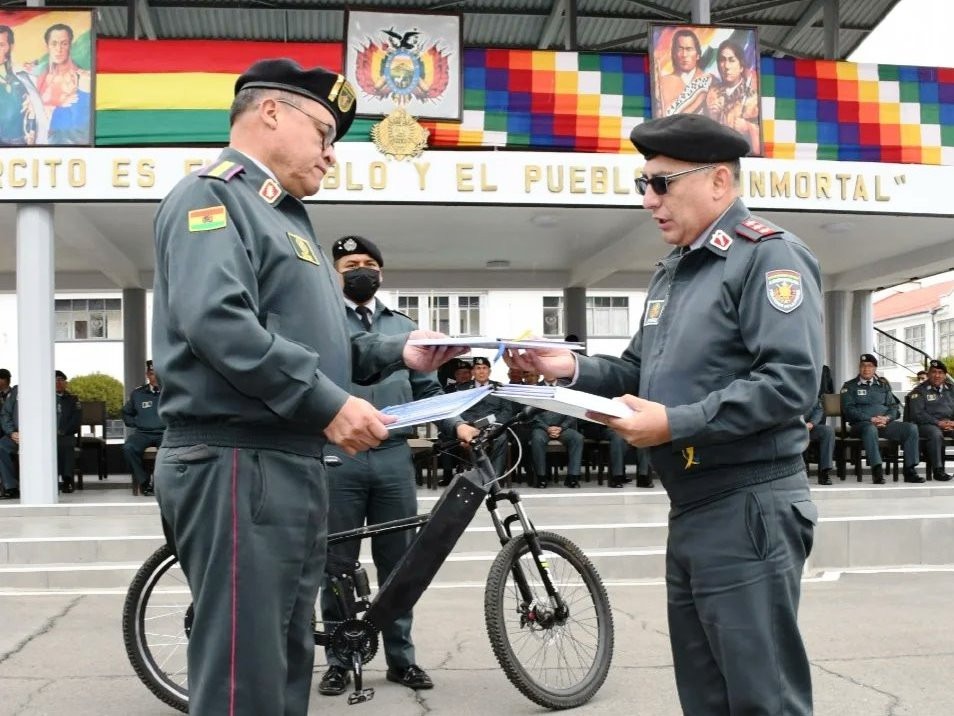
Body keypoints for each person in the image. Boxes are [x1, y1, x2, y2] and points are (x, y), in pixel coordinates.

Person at [150, 58, 461, 716]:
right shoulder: (213, 195)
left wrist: (401, 350)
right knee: (245, 672)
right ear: (269, 113)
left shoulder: (287, 222)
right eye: (324, 133)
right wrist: (327, 403)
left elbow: (327, 346)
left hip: (285, 463)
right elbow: (219, 323)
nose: (330, 154)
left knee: (286, 658)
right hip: (238, 461)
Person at [505, 113, 822, 715]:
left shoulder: (766, 257)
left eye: (661, 184)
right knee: (705, 695)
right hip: (694, 503)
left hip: (747, 501)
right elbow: (635, 373)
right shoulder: (675, 271)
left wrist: (674, 423)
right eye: (642, 184)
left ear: (719, 183)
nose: (649, 201)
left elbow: (790, 384)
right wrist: (565, 369)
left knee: (762, 696)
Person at [318, 235, 478, 696]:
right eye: (351, 263)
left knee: (400, 565)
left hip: (392, 460)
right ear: (336, 272)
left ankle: (401, 659)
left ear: (381, 274)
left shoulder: (405, 327)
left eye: (369, 263)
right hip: (338, 459)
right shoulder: (323, 323)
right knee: (337, 566)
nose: (361, 270)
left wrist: (457, 424)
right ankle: (340, 658)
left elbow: (428, 393)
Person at [841, 353, 922, 484]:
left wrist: (887, 418)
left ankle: (909, 470)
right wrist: (871, 419)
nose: (866, 369)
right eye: (863, 366)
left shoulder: (883, 386)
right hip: (861, 426)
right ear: (859, 368)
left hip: (884, 424)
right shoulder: (849, 386)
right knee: (870, 429)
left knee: (910, 428)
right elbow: (849, 410)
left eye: (870, 366)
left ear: (875, 369)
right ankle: (877, 470)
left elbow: (894, 407)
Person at [29, 23, 90, 144]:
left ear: (70, 46)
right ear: (47, 46)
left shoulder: (82, 78)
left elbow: (83, 116)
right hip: (42, 145)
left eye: (64, 43)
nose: (59, 49)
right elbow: (32, 111)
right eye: (54, 43)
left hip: (73, 144)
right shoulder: (38, 78)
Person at [704, 40, 760, 154]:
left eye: (732, 60)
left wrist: (748, 127)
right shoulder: (712, 93)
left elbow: (761, 145)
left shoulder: (752, 97)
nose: (726, 66)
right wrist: (712, 117)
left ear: (741, 67)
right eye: (722, 60)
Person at [121, 360, 164, 496]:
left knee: (170, 451)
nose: (155, 377)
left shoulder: (171, 392)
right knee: (128, 448)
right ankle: (144, 482)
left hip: (165, 433)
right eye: (152, 374)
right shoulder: (138, 394)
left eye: (157, 374)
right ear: (147, 375)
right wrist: (135, 423)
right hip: (143, 433)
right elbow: (126, 412)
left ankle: (160, 484)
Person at [906, 359, 954, 481]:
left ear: (945, 375)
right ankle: (938, 470)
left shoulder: (951, 389)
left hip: (949, 424)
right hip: (927, 425)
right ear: (928, 374)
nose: (937, 375)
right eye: (933, 372)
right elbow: (917, 414)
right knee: (935, 433)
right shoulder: (919, 391)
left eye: (940, 372)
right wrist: (938, 423)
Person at [656, 28, 711, 117]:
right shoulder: (662, 83)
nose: (684, 55)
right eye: (680, 49)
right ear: (674, 54)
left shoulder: (710, 81)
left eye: (689, 49)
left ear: (698, 55)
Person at [0, 26, 36, 145]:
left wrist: (32, 131)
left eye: (1, 45)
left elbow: (34, 108)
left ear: (11, 47)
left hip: (19, 141)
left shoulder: (21, 75)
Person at [54, 370, 82, 492]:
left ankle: (67, 480)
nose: (58, 383)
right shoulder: (43, 399)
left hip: (66, 434)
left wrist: (63, 431)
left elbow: (76, 420)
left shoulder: (73, 399)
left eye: (61, 380)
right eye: (55, 380)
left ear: (66, 383)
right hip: (47, 436)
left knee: (66, 445)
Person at [0, 382, 18, 499]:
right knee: (1, 446)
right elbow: (5, 413)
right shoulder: (17, 391)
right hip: (16, 435)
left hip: (42, 437)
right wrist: (12, 432)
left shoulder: (47, 389)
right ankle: (10, 486)